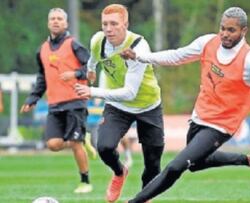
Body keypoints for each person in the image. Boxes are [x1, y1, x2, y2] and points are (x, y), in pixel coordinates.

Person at [120, 7, 250, 203]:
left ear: (244, 31)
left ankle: (135, 201)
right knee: (195, 164)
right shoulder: (207, 42)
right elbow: (177, 56)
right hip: (200, 116)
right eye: (222, 28)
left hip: (221, 126)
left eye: (231, 30)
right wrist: (140, 57)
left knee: (176, 166)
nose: (225, 34)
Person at [74, 4, 165, 203]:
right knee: (104, 146)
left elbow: (130, 93)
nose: (108, 28)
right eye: (105, 24)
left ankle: (143, 198)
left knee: (152, 162)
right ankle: (119, 171)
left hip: (148, 106)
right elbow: (93, 58)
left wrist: (92, 91)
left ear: (125, 24)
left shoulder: (138, 47)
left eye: (114, 23)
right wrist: (90, 70)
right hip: (118, 107)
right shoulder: (98, 40)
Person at [20, 8, 94, 194]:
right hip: (54, 104)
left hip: (76, 101)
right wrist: (33, 98)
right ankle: (82, 139)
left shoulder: (74, 45)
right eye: (52, 18)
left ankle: (85, 181)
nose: (55, 21)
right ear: (48, 23)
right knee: (53, 144)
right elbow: (42, 77)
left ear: (66, 23)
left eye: (59, 18)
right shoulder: (42, 50)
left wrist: (76, 73)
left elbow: (91, 69)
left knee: (75, 144)